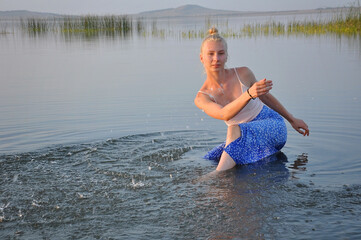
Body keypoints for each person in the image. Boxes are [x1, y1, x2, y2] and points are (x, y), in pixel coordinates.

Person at [194, 27, 309, 171]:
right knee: (210, 158)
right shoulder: (202, 98)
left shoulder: (243, 73)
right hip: (243, 135)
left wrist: (292, 120)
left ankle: (216, 178)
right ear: (201, 58)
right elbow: (224, 114)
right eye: (210, 54)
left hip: (272, 126)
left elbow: (265, 97)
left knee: (233, 130)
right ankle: (222, 178)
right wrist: (248, 95)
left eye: (221, 53)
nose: (216, 58)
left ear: (227, 56)